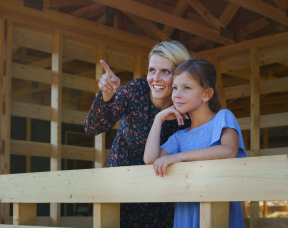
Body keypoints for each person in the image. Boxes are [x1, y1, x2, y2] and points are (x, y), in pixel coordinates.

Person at [84, 40, 192, 228]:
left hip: (163, 197)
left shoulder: (188, 110)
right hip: (121, 188)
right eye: (152, 70)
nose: (155, 78)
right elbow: (92, 128)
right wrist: (106, 95)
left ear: (180, 75)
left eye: (165, 71)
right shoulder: (136, 90)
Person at [144, 58, 246, 228]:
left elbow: (229, 151)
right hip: (186, 211)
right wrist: (158, 119)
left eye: (187, 88)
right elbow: (150, 159)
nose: (176, 94)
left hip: (218, 208)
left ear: (206, 94)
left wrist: (178, 157)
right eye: (175, 87)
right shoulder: (180, 136)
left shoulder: (223, 117)